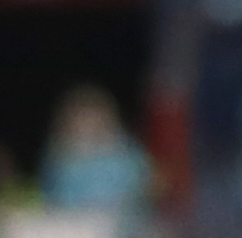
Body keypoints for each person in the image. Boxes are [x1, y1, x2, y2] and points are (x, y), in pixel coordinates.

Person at [36, 85, 156, 217]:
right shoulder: (61, 159)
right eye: (79, 121)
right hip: (79, 226)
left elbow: (148, 183)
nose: (87, 126)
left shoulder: (125, 152)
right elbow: (52, 196)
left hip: (123, 226)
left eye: (93, 119)